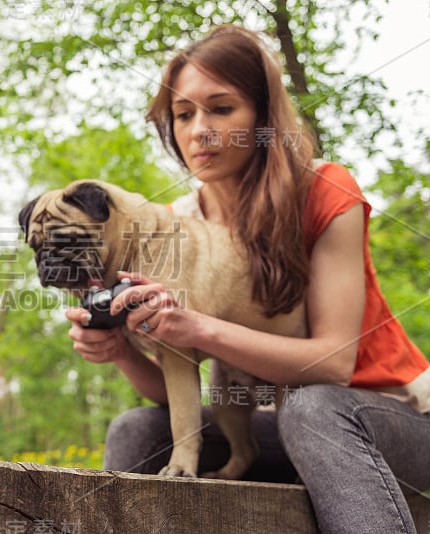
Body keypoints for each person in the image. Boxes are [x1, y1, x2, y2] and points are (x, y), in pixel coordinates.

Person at [64, 25, 430, 534]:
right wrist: (122, 350)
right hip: (282, 427)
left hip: (396, 416)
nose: (199, 131)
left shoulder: (324, 189)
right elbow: (177, 380)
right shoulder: (179, 222)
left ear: (262, 115)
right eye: (184, 115)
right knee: (140, 429)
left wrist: (198, 329)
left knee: (313, 406)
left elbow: (335, 362)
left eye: (221, 108)